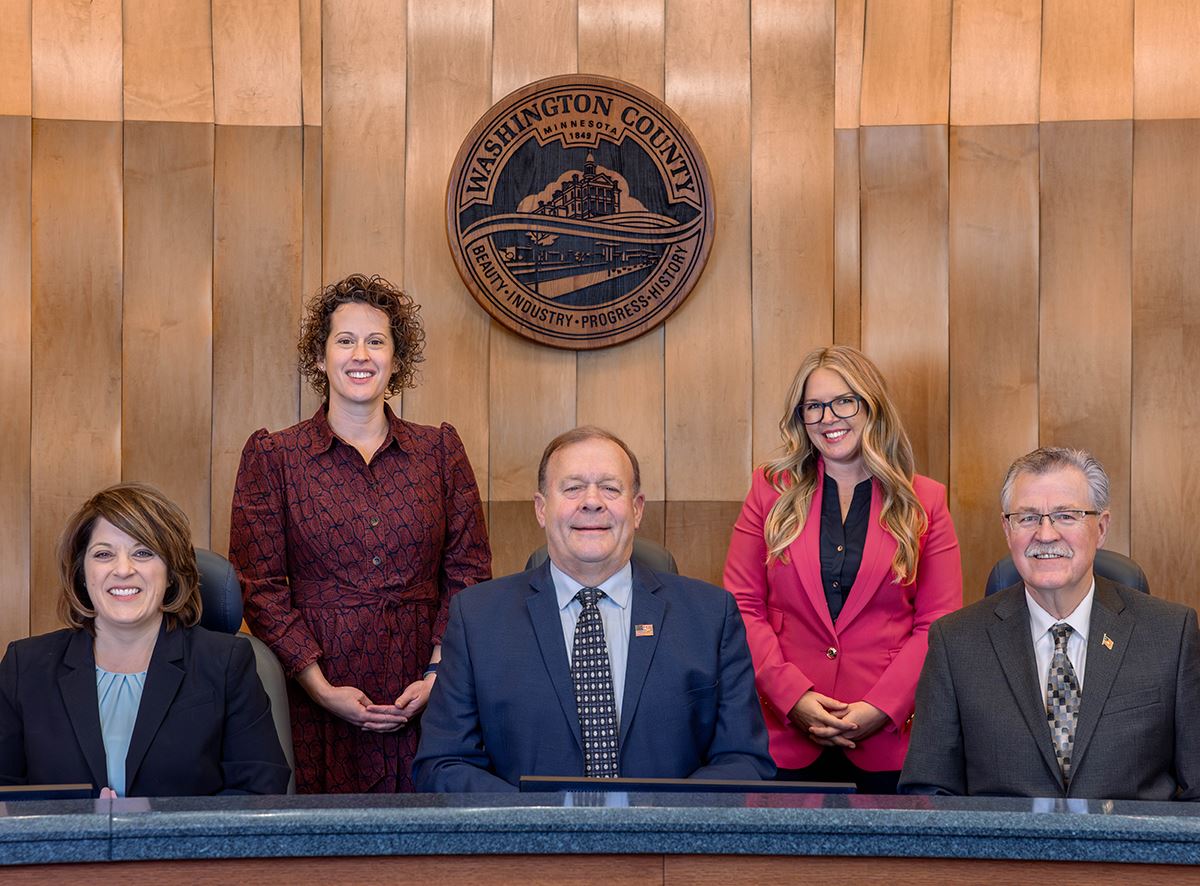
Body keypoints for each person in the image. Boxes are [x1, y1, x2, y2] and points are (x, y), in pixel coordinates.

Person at [229, 274, 491, 793]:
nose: (361, 355)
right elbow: (259, 587)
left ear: (396, 359)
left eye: (376, 341)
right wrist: (319, 686)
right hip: (316, 692)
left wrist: (437, 674)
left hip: (428, 689)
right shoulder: (274, 457)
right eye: (345, 340)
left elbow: (469, 572)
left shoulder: (439, 451)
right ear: (321, 356)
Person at [412, 427, 774, 791]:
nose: (592, 502)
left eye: (610, 488)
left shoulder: (711, 617)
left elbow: (744, 761)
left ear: (637, 509)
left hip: (667, 829)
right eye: (572, 488)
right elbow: (443, 764)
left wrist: (659, 817)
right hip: (526, 829)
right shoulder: (477, 619)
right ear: (541, 508)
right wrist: (533, 816)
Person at [723, 346, 962, 794]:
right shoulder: (769, 490)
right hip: (783, 736)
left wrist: (881, 707)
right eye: (813, 406)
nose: (828, 418)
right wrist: (792, 697)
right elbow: (742, 606)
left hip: (888, 740)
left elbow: (938, 623)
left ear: (872, 405)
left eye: (844, 402)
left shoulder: (925, 501)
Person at [900, 448, 1200, 800]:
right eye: (1027, 518)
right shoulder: (955, 643)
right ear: (1007, 529)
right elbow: (929, 794)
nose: (1045, 534)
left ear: (1101, 528)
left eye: (1066, 516)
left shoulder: (1171, 635)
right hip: (1001, 838)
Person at [0, 483, 289, 797]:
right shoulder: (24, 666)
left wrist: (150, 824)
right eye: (104, 554)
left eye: (143, 552)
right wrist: (78, 820)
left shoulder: (226, 663)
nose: (123, 570)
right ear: (82, 572)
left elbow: (258, 793)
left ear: (171, 571)